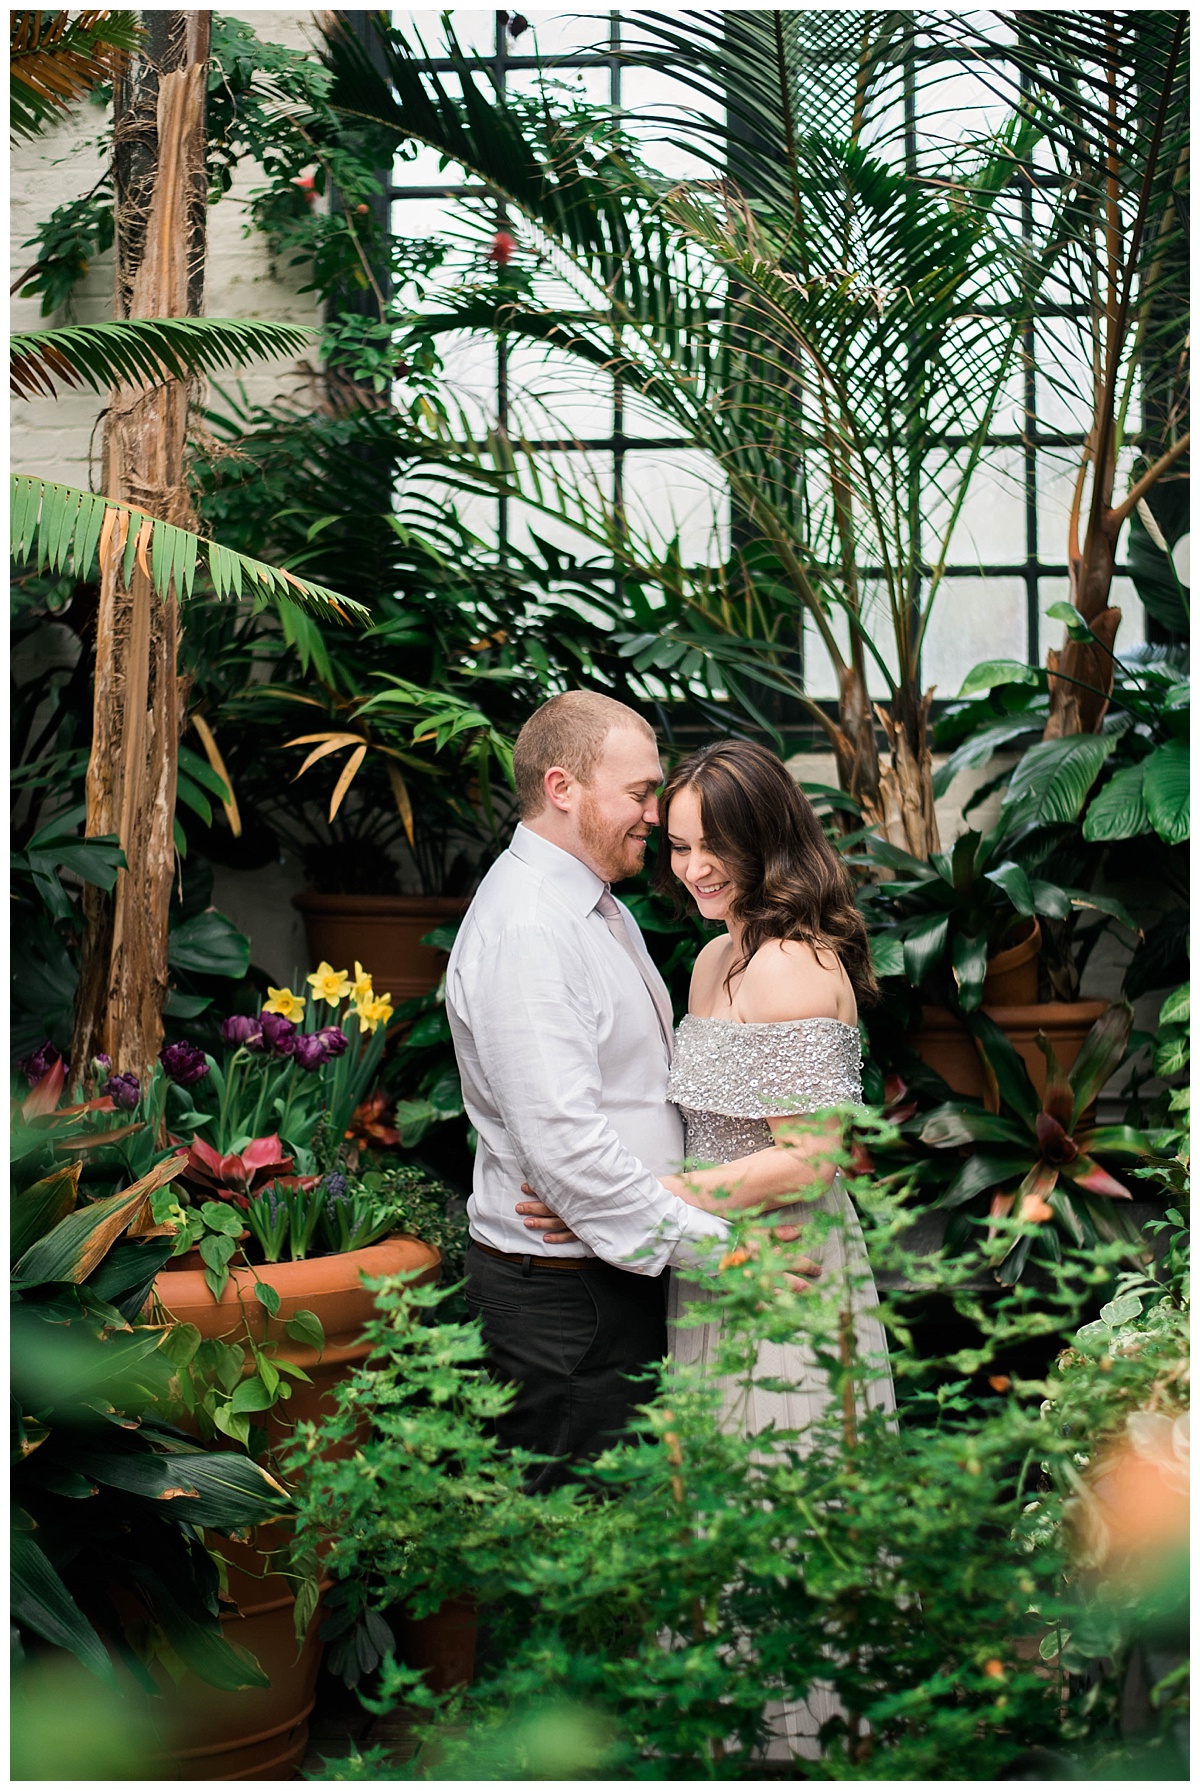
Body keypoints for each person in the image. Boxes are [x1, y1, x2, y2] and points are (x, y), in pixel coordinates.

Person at [521, 735, 896, 1760]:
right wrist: (607, 1192)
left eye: (713, 845)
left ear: (766, 838)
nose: (692, 867)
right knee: (720, 1500)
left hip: (789, 1271)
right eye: (679, 844)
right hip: (713, 1265)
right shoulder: (712, 957)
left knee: (785, 1500)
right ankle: (729, 1734)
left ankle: (801, 1743)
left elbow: (814, 1158)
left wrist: (624, 1200)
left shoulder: (789, 966)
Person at [447, 694, 825, 1494]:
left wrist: (643, 1200)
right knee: (574, 1548)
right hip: (567, 1304)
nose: (655, 817)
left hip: (625, 1270)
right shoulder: (531, 929)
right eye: (641, 793)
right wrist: (732, 1256)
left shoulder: (591, 907)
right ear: (563, 787)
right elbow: (570, 1158)